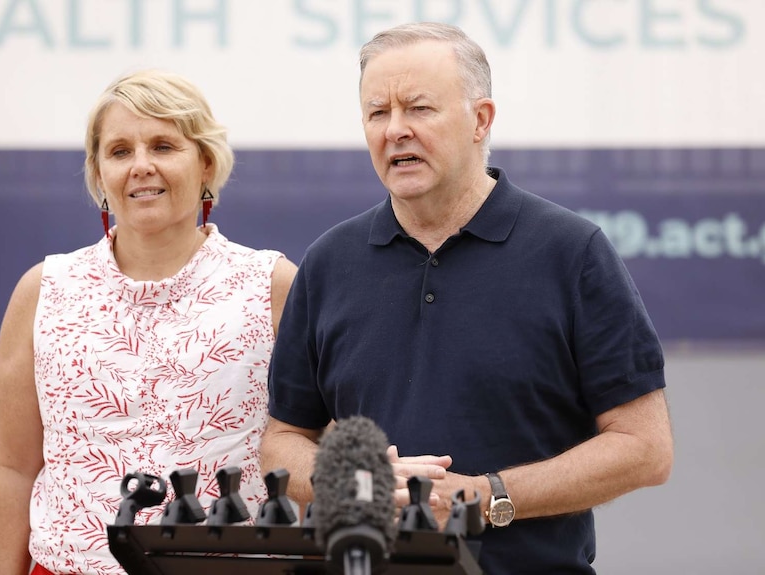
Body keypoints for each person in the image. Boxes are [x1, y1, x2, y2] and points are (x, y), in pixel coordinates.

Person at [260, 22, 673, 574]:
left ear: (481, 119)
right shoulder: (330, 262)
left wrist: (489, 495)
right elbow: (283, 441)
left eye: (419, 109)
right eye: (377, 113)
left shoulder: (572, 252)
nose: (395, 130)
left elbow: (644, 448)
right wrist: (357, 483)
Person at [0, 69, 298, 575]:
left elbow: (310, 453)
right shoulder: (43, 290)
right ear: (98, 173)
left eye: (163, 146)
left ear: (206, 163)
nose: (141, 166)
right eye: (120, 151)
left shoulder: (272, 284)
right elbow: (13, 466)